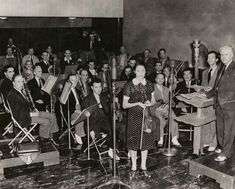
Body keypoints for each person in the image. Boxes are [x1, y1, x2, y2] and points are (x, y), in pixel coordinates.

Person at [123, 63, 156, 178]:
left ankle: (143, 166)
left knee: (145, 142)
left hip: (146, 115)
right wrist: (137, 103)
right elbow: (124, 105)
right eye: (138, 70)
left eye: (143, 70)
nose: (141, 72)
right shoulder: (129, 85)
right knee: (134, 143)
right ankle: (133, 167)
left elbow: (154, 100)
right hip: (134, 116)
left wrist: (149, 103)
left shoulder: (150, 84)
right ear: (134, 71)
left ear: (145, 72)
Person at [7, 75, 59, 145]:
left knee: (52, 116)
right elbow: (17, 113)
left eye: (22, 81)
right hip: (23, 119)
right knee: (46, 122)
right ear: (13, 83)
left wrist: (33, 110)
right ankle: (43, 140)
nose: (21, 84)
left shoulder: (19, 91)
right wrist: (31, 114)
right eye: (18, 82)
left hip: (28, 114)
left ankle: (53, 136)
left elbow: (24, 106)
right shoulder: (13, 95)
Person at [82, 78, 120, 160]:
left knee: (115, 128)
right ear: (92, 87)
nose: (99, 89)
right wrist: (90, 129)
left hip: (104, 120)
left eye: (100, 87)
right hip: (93, 122)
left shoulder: (103, 96)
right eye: (96, 87)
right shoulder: (86, 99)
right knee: (110, 131)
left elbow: (108, 111)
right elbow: (86, 118)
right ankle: (109, 143)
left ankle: (111, 149)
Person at [211, 45, 235, 162]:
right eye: (222, 54)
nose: (223, 57)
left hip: (230, 105)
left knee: (229, 130)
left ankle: (226, 153)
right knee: (220, 128)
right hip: (219, 104)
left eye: (226, 54)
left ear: (231, 55)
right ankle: (222, 147)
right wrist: (204, 94)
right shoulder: (222, 68)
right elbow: (217, 86)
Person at [152, 73, 181, 147]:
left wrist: (168, 106)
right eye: (159, 78)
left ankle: (174, 139)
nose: (160, 80)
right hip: (156, 108)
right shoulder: (151, 88)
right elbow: (151, 101)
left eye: (162, 78)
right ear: (155, 79)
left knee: (174, 118)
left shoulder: (167, 89)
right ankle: (160, 138)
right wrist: (158, 106)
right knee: (161, 120)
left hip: (166, 108)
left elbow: (170, 101)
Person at [201, 51, 220, 152]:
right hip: (205, 101)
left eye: (212, 57)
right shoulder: (204, 72)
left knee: (213, 122)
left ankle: (213, 143)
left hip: (215, 100)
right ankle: (207, 141)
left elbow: (219, 87)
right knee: (206, 121)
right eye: (208, 58)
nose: (209, 59)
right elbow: (203, 86)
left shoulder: (220, 71)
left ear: (217, 59)